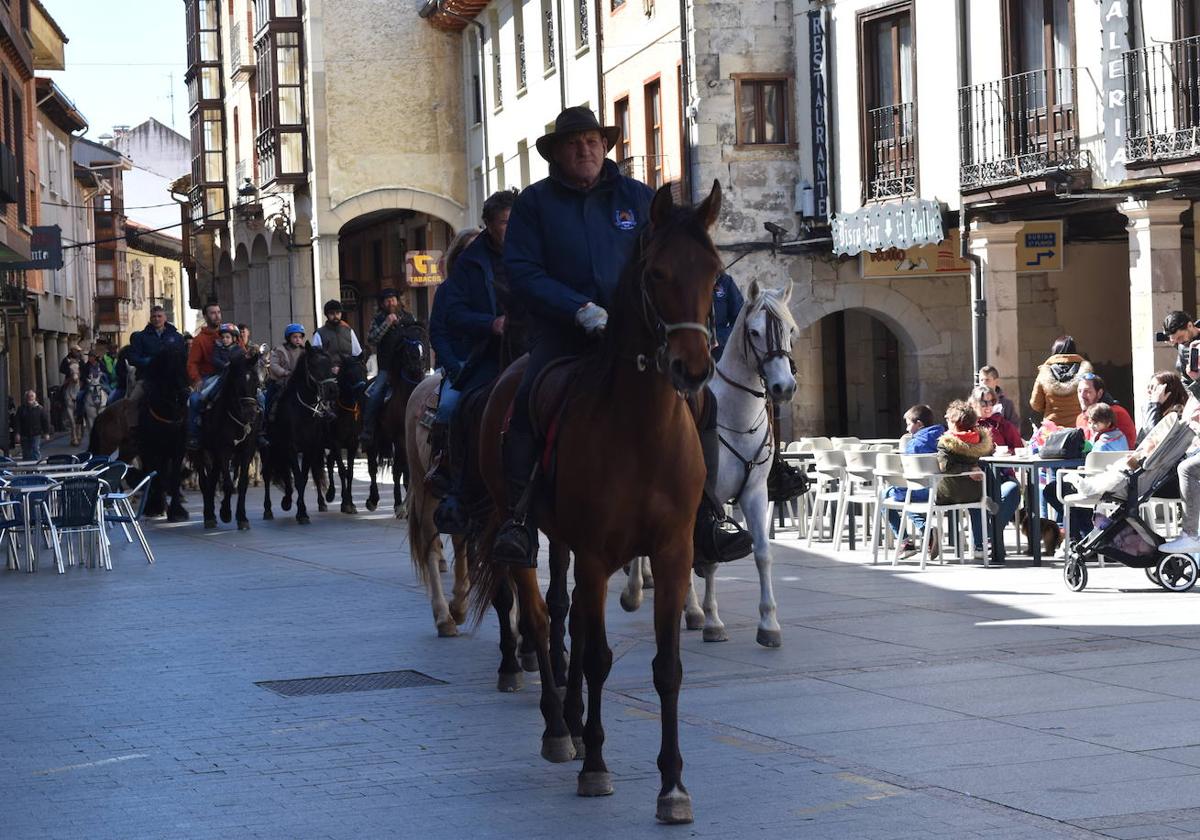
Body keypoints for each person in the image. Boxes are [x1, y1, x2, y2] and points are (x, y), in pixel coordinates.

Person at [492, 106, 751, 569]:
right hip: (564, 335)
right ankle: (519, 521)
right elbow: (522, 271)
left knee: (702, 404)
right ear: (557, 154)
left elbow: (674, 259)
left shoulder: (639, 198)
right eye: (574, 144)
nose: (584, 149)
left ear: (605, 146)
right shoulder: (535, 204)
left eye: (592, 141)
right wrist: (578, 308)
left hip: (637, 336)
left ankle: (708, 514)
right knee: (525, 402)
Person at [428, 190, 518, 502]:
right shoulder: (469, 266)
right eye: (505, 222)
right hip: (483, 354)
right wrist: (490, 324)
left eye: (515, 221)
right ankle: (453, 478)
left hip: (531, 345)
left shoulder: (533, 249)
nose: (512, 227)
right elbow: (448, 320)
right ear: (489, 225)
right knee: (454, 405)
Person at [935, 400, 996, 558]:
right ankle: (980, 545)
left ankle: (936, 537)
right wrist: (971, 469)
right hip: (975, 492)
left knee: (932, 490)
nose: (946, 420)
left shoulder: (946, 443)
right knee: (977, 506)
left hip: (949, 493)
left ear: (955, 423)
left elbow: (945, 467)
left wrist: (967, 470)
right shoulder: (980, 441)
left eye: (948, 419)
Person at [359, 288, 418, 444]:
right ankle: (368, 430)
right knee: (375, 393)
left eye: (393, 299)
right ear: (382, 303)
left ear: (398, 301)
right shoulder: (378, 319)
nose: (390, 302)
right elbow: (372, 339)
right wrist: (386, 324)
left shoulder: (408, 317)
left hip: (408, 366)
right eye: (387, 300)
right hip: (387, 368)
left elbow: (418, 335)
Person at [887, 405, 945, 558]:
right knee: (905, 496)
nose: (907, 429)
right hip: (940, 491)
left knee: (887, 495)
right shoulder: (944, 438)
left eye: (908, 424)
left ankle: (906, 542)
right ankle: (927, 532)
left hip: (918, 490)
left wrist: (896, 488)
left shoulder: (914, 445)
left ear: (919, 424)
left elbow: (908, 472)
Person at [186, 302, 231, 450]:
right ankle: (194, 436)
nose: (217, 315)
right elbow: (192, 363)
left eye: (218, 312)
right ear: (205, 316)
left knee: (258, 397)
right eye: (213, 313)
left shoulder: (230, 333)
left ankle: (260, 433)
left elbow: (241, 352)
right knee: (194, 400)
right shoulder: (200, 339)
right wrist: (197, 379)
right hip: (210, 377)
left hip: (231, 375)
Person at [123, 304, 185, 401]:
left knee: (189, 401)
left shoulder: (177, 337)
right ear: (150, 319)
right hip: (147, 379)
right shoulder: (140, 337)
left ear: (165, 318)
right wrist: (150, 362)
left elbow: (183, 358)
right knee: (132, 402)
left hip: (172, 379)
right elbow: (133, 358)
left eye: (159, 316)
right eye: (154, 316)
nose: (156, 319)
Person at [1030, 335, 1093, 428]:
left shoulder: (1044, 373)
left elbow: (1036, 404)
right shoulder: (1085, 372)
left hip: (1052, 429)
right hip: (1078, 428)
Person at [1075, 373, 1136, 446]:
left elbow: (1127, 447)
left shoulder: (1116, 413)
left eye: (1087, 391)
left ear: (1100, 393)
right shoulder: (1080, 418)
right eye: (1079, 391)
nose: (1082, 395)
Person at [1137, 370, 1189, 446]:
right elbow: (1141, 443)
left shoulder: (1178, 413)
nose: (1149, 391)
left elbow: (1152, 437)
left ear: (1168, 391)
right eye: (1149, 387)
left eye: (1154, 388)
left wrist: (1154, 405)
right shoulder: (1155, 411)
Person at [266, 323, 307, 416]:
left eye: (300, 337)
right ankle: (266, 421)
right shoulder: (279, 350)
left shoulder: (304, 351)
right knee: (270, 400)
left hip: (300, 383)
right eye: (295, 337)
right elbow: (274, 364)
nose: (298, 339)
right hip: (282, 383)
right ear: (289, 338)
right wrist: (285, 372)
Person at [311, 300, 363, 372]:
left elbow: (357, 354)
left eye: (338, 313)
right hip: (328, 374)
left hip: (348, 373)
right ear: (327, 315)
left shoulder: (349, 331)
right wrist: (330, 368)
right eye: (332, 313)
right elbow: (315, 358)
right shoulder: (319, 334)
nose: (335, 316)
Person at [1161, 310, 1200, 400]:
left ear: (1190, 325)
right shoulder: (1182, 346)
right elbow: (1185, 379)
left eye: (1180, 337)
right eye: (1175, 340)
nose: (1179, 342)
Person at [711, 272, 745, 361]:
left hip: (717, 351)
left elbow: (740, 319)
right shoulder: (685, 279)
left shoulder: (725, 281)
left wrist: (719, 339)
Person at [14, 390, 50, 461]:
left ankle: (37, 466)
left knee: (35, 449)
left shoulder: (40, 409)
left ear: (35, 398)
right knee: (26, 452)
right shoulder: (21, 409)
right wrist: (17, 433)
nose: (30, 398)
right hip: (24, 434)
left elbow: (45, 421)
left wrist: (46, 433)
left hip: (36, 433)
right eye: (28, 396)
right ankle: (28, 469)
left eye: (32, 396)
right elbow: (17, 422)